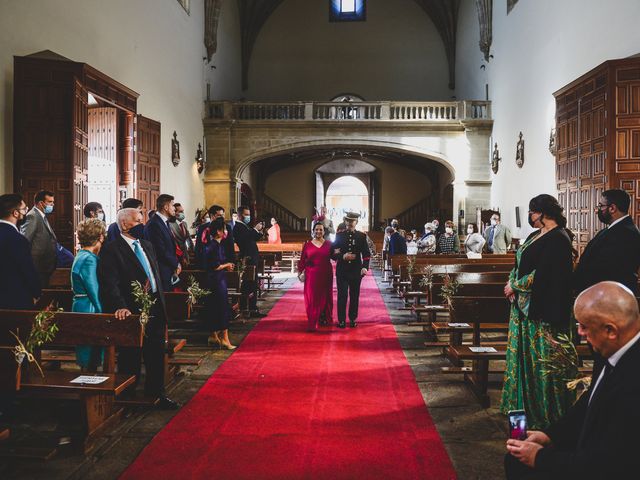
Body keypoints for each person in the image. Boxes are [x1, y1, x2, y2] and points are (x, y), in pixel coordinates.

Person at [505, 281, 640, 480]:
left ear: (610, 331)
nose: (579, 333)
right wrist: (550, 436)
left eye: (584, 326)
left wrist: (540, 457)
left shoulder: (632, 384)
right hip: (595, 450)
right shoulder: (611, 346)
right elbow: (590, 401)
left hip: (609, 466)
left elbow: (611, 463)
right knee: (515, 459)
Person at [501, 194, 575, 430]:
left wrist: (516, 285)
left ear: (544, 213)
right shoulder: (535, 235)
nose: (530, 216)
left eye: (533, 212)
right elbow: (519, 261)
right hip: (523, 309)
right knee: (524, 360)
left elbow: (545, 274)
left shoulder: (559, 239)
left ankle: (544, 412)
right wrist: (512, 280)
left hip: (543, 310)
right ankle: (522, 406)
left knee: (541, 362)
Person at [99, 208, 179, 409]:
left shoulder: (146, 245)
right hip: (131, 309)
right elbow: (110, 283)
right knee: (130, 355)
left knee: (156, 353)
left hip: (154, 305)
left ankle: (157, 394)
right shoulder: (112, 249)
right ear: (124, 224)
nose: (142, 225)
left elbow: (154, 274)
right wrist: (120, 306)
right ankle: (129, 397)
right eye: (137, 221)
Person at [574, 189, 640, 294]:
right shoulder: (612, 229)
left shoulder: (626, 233)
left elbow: (607, 270)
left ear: (612, 208)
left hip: (608, 296)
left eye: (601, 206)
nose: (597, 210)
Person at [72, 218, 105, 371]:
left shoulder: (81, 254)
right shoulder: (89, 260)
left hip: (82, 304)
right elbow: (94, 289)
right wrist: (102, 312)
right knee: (90, 351)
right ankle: (89, 384)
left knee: (87, 348)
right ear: (100, 237)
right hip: (89, 307)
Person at [0, 194, 41, 309]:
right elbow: (27, 270)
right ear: (16, 213)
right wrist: (36, 292)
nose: (26, 212)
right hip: (14, 298)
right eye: (24, 209)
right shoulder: (18, 239)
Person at [331, 212, 370, 328]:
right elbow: (333, 253)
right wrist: (342, 256)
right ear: (345, 221)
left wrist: (364, 267)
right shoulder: (339, 236)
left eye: (352, 221)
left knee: (354, 296)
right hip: (342, 270)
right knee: (342, 296)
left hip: (355, 271)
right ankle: (341, 320)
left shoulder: (361, 236)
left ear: (356, 222)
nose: (349, 223)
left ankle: (353, 319)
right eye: (347, 221)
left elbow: (366, 254)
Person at [203, 217, 236, 350]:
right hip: (216, 280)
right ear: (218, 231)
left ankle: (213, 335)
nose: (226, 231)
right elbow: (215, 266)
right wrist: (227, 265)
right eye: (224, 229)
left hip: (216, 279)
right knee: (222, 308)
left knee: (216, 308)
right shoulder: (214, 246)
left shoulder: (217, 245)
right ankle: (224, 338)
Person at [298, 223, 333, 331]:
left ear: (324, 231)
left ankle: (324, 318)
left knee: (325, 296)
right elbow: (302, 260)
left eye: (321, 230)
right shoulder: (307, 245)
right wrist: (300, 273)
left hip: (326, 274)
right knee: (312, 298)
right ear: (313, 230)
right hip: (311, 275)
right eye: (316, 229)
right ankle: (313, 320)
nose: (318, 231)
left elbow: (336, 257)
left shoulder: (329, 244)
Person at [233, 205, 267, 318]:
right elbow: (245, 239)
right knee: (249, 284)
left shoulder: (245, 226)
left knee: (252, 283)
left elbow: (254, 237)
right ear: (239, 215)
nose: (248, 217)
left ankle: (252, 308)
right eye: (246, 214)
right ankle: (249, 308)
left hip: (252, 258)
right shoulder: (238, 227)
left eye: (248, 214)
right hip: (248, 259)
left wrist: (259, 230)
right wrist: (255, 229)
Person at [21, 190, 58, 287]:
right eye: (50, 202)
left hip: (45, 267)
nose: (53, 205)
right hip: (37, 266)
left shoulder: (42, 216)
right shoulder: (32, 216)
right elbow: (25, 241)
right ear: (41, 203)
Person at [144, 194, 181, 291]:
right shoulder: (154, 224)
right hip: (161, 270)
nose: (174, 209)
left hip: (167, 268)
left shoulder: (164, 222)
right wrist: (175, 264)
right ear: (166, 207)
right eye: (172, 205)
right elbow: (160, 250)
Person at [169, 202, 193, 267]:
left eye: (183, 211)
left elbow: (188, 237)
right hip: (176, 254)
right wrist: (181, 256)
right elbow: (173, 241)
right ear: (175, 213)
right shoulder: (170, 224)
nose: (183, 213)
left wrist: (191, 249)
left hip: (185, 253)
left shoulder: (184, 224)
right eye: (180, 211)